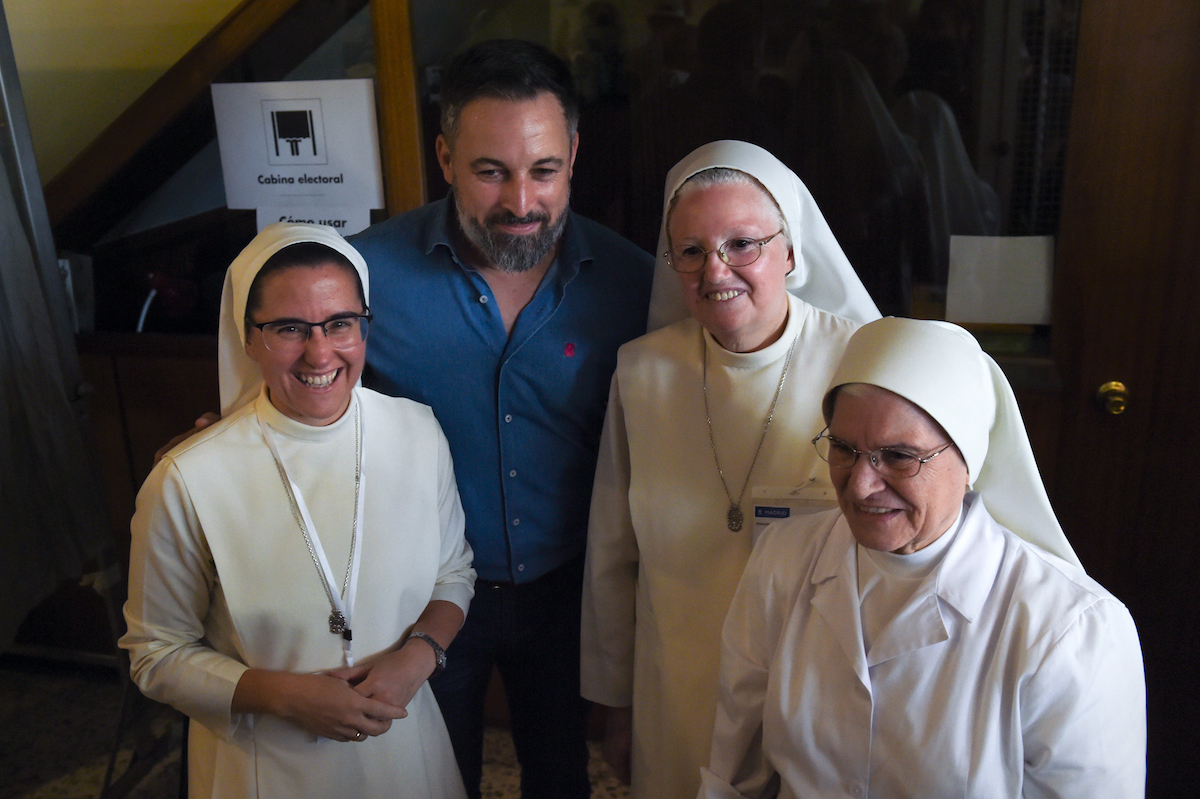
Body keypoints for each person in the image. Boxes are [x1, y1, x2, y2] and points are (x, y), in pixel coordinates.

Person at [349, 40, 654, 799]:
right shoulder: (362, 275)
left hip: (570, 593)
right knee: (435, 781)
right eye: (491, 172)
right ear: (446, 158)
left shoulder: (636, 285)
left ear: (574, 155)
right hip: (417, 600)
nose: (521, 201)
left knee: (562, 776)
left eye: (543, 169)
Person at [701, 317, 1146, 798]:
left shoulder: (1071, 630)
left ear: (969, 459)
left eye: (898, 456)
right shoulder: (783, 560)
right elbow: (734, 775)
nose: (860, 485)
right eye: (844, 449)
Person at [121, 223, 476, 798]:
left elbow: (453, 573)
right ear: (248, 337)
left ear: (364, 326)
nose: (320, 351)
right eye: (289, 328)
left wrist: (418, 657)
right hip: (266, 764)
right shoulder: (189, 478)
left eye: (341, 323)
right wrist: (286, 696)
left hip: (405, 745)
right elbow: (155, 654)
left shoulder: (417, 432)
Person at [580, 140, 879, 799]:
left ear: (791, 251)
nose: (715, 271)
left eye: (742, 244)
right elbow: (613, 552)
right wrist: (617, 706)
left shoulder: (861, 367)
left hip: (818, 695)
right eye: (690, 251)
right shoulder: (642, 370)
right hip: (678, 694)